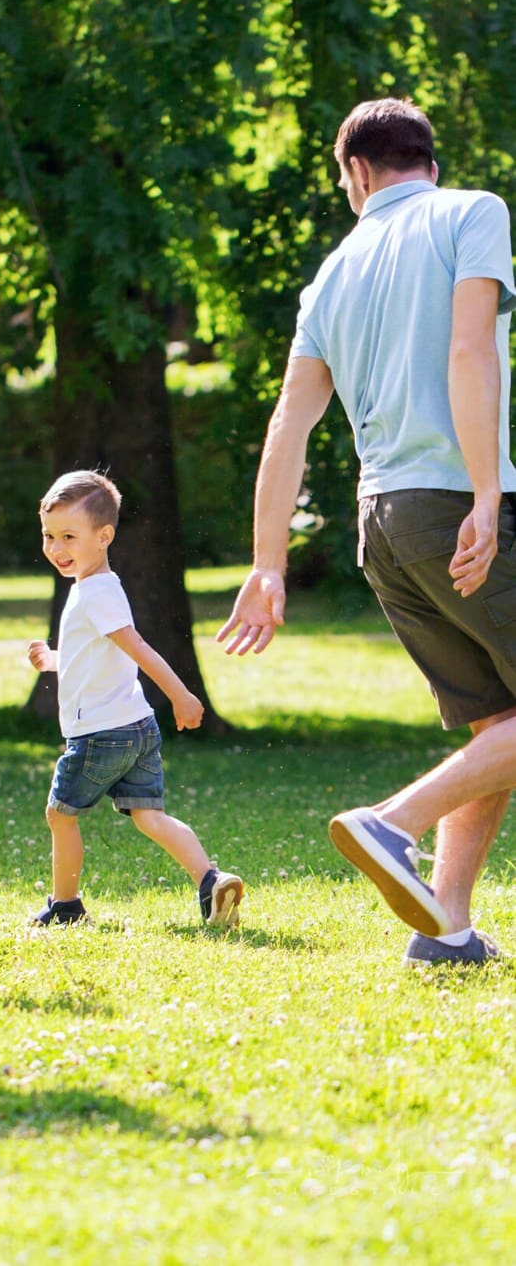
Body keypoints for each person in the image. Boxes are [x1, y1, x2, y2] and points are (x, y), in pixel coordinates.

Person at [219, 97, 516, 967]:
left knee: (496, 723)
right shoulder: (474, 212)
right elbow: (471, 353)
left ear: (355, 171)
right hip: (453, 501)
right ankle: (391, 825)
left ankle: (447, 928)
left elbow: (290, 424)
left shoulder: (333, 273)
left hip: (382, 523)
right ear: (427, 155)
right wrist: (487, 497)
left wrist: (266, 563)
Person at [27, 469, 244, 927]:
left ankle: (65, 906)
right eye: (49, 536)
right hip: (138, 728)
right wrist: (53, 659)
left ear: (104, 536)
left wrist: (182, 696)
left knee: (60, 815)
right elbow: (94, 653)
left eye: (69, 536)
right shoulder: (98, 587)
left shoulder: (95, 593)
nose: (56, 548)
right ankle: (210, 881)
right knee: (149, 816)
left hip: (100, 733)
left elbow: (138, 649)